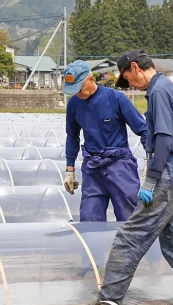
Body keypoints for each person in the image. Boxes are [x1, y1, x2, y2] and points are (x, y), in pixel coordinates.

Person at [75, 50, 173, 305]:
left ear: (135, 68)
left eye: (129, 79)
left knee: (129, 237)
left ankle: (109, 301)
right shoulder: (168, 87)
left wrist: (151, 180)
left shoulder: (158, 91)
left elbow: (164, 139)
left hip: (167, 169)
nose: (131, 86)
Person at [63, 60, 148, 222]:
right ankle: (94, 247)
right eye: (73, 90)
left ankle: (132, 248)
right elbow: (72, 136)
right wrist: (70, 170)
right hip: (92, 167)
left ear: (91, 79)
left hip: (119, 166)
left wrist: (151, 158)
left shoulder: (116, 99)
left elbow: (143, 130)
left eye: (79, 88)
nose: (77, 93)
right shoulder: (74, 104)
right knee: (89, 217)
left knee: (128, 218)